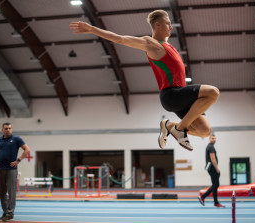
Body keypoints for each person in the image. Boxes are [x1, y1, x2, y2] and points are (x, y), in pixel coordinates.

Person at [69, 10, 219, 151]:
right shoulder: (151, 43)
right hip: (171, 95)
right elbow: (120, 39)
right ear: (157, 25)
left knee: (204, 131)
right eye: (167, 23)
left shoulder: (170, 46)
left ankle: (171, 126)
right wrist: (92, 29)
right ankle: (180, 129)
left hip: (181, 98)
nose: (171, 27)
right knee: (213, 92)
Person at [0, 123, 30, 221]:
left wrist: (18, 160)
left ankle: (10, 213)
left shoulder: (16, 139)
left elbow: (27, 150)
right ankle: (5, 212)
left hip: (11, 170)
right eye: (6, 128)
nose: (8, 130)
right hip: (0, 170)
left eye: (10, 128)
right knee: (2, 192)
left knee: (11, 193)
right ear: (2, 130)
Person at [198, 134, 225, 208]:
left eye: (215, 138)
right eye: (212, 138)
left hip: (210, 167)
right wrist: (217, 168)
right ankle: (205, 197)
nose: (214, 139)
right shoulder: (210, 147)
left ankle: (213, 201)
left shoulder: (210, 146)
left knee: (215, 185)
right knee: (215, 185)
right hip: (212, 168)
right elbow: (213, 159)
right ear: (209, 139)